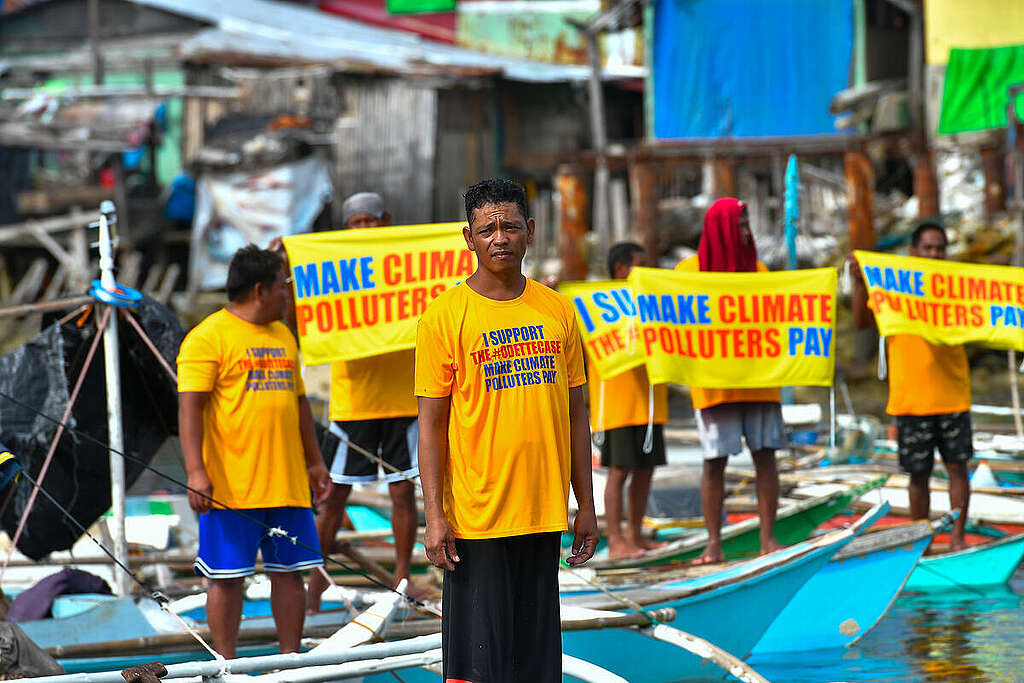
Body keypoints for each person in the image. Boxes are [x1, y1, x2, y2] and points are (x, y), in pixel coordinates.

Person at [416, 178, 598, 682]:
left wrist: (586, 504)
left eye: (511, 226)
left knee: (536, 667)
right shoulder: (444, 316)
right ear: (468, 238)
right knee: (478, 668)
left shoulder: (557, 309)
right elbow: (429, 426)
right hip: (477, 520)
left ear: (531, 231)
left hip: (542, 514)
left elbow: (575, 414)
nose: (500, 238)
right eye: (487, 229)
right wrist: (434, 517)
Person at [177, 245, 331, 658]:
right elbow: (189, 408)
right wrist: (196, 472)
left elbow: (300, 404)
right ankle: (226, 661)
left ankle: (290, 660)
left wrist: (315, 462)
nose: (289, 295)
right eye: (284, 287)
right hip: (230, 486)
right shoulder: (206, 338)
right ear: (261, 290)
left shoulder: (283, 335)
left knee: (291, 573)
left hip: (288, 482)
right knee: (226, 578)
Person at [305, 191, 420, 612]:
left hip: (401, 398)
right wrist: (287, 256)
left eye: (370, 221)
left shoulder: (407, 264)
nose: (363, 229)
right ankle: (314, 588)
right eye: (355, 223)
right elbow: (299, 293)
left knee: (402, 493)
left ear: (385, 220)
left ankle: (403, 580)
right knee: (334, 496)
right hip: (352, 401)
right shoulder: (334, 266)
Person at [676, 198, 784, 565]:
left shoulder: (761, 272)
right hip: (713, 383)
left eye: (746, 223)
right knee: (714, 464)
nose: (745, 231)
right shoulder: (686, 273)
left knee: (765, 457)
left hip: (759, 380)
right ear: (720, 228)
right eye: (738, 224)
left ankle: (768, 538)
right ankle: (713, 544)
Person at [851, 221, 971, 549]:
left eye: (940, 247)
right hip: (910, 398)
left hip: (953, 395)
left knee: (957, 469)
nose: (934, 253)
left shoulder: (959, 288)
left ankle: (958, 539)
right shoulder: (895, 286)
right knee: (918, 475)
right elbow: (862, 323)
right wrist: (858, 282)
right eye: (928, 247)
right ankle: (923, 543)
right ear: (913, 251)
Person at [592, 242, 668, 558]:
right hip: (617, 402)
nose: (646, 269)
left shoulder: (653, 301)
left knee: (645, 469)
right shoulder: (596, 302)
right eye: (640, 263)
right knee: (619, 470)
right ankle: (617, 542)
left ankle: (635, 536)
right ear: (621, 268)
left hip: (650, 401)